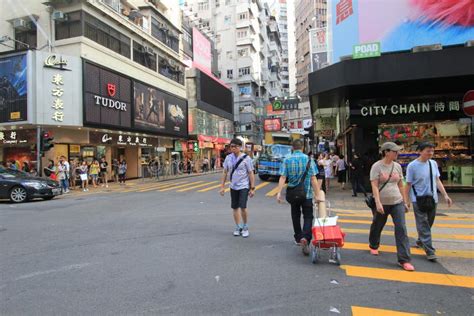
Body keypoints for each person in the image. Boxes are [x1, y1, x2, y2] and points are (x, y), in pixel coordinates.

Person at [369, 142, 414, 271]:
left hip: (397, 201)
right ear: (386, 152)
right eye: (395, 151)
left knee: (401, 228)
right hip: (382, 202)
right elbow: (374, 186)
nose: (397, 153)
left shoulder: (398, 166)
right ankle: (373, 244)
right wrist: (377, 202)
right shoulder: (376, 167)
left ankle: (404, 259)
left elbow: (401, 184)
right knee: (377, 225)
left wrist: (405, 201)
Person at [405, 142, 453, 262]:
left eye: (432, 151)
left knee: (429, 223)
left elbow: (437, 180)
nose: (430, 153)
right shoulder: (412, 166)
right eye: (428, 151)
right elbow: (408, 184)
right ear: (420, 151)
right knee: (423, 224)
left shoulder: (433, 163)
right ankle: (430, 251)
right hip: (418, 199)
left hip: (432, 199)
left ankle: (421, 240)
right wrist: (407, 201)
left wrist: (445, 195)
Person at [276, 139, 322, 256]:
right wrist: (317, 195)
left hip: (292, 193)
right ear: (302, 148)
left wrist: (279, 193)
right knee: (308, 216)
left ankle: (298, 237)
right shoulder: (309, 159)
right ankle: (306, 237)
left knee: (295, 215)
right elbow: (313, 179)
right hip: (306, 194)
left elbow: (282, 177)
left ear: (292, 148)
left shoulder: (287, 159)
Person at [220, 138, 255, 238]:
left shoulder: (246, 158)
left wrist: (252, 188)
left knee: (243, 207)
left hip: (244, 186)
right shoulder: (228, 158)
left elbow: (250, 173)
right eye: (231, 146)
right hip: (233, 186)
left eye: (235, 146)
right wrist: (222, 186)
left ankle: (245, 227)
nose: (233, 148)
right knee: (235, 207)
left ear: (240, 147)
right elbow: (225, 172)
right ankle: (238, 226)